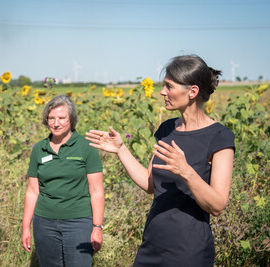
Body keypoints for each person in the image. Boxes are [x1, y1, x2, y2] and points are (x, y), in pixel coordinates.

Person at [86, 55, 235, 266]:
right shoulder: (167, 129)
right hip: (153, 243)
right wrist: (121, 149)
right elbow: (150, 184)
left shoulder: (219, 136)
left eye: (169, 86)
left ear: (192, 91)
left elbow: (218, 205)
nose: (162, 92)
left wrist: (186, 171)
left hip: (189, 251)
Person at [21, 94, 104, 267]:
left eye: (61, 118)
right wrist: (26, 226)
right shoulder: (39, 149)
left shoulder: (86, 148)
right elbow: (32, 191)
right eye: (51, 118)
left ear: (71, 119)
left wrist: (97, 227)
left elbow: (96, 191)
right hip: (44, 222)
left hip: (78, 222)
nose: (56, 123)